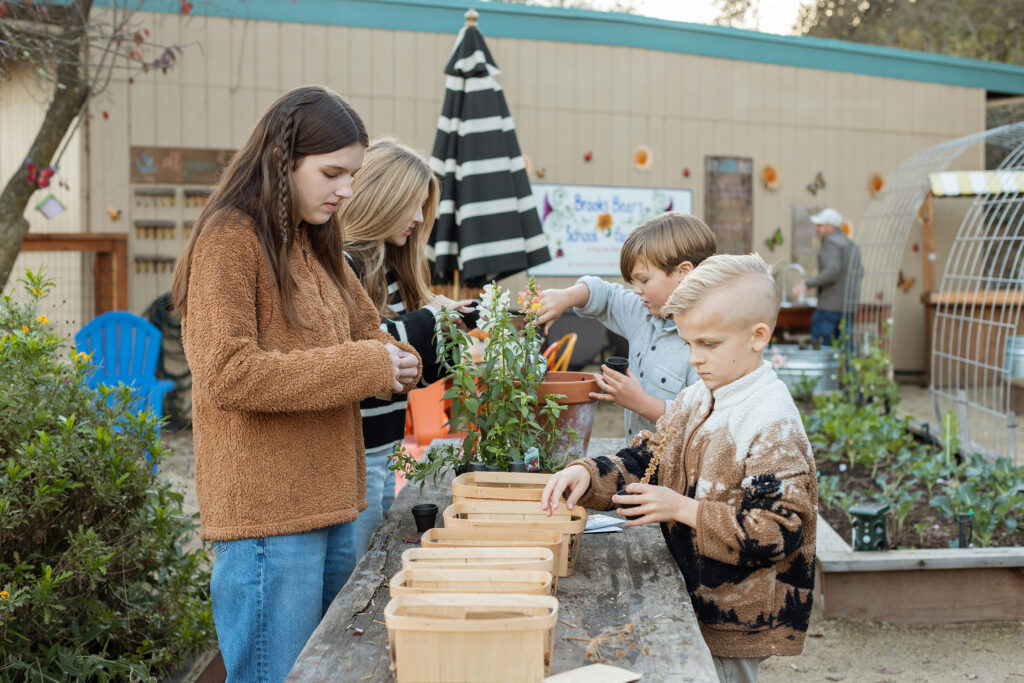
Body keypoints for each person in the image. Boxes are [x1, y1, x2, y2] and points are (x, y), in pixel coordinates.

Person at [171, 86, 422, 682]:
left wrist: (397, 359)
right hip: (268, 519)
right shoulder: (229, 240)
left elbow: (372, 334)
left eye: (353, 174)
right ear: (282, 161)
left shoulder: (317, 243)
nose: (346, 190)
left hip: (335, 502)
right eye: (332, 172)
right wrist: (369, 366)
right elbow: (228, 373)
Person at [540, 253, 817, 683]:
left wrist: (683, 509)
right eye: (688, 343)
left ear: (758, 336)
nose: (694, 359)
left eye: (708, 344)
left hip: (736, 618)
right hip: (694, 597)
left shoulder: (770, 420)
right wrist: (588, 475)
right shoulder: (700, 396)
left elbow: (779, 529)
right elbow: (647, 459)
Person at [338, 138, 474, 556]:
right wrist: (434, 320)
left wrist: (455, 335)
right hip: (351, 456)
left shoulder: (396, 270)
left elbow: (413, 374)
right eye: (410, 204)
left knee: (373, 562)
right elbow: (364, 347)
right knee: (354, 574)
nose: (418, 218)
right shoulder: (342, 266)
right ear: (380, 199)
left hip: (388, 449)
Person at [534, 213, 715, 442]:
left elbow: (704, 421)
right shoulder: (643, 312)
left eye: (644, 281)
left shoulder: (709, 343)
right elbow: (606, 296)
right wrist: (567, 297)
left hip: (676, 472)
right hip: (635, 459)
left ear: (683, 274)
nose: (636, 290)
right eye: (633, 283)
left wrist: (639, 402)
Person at [792, 208, 862, 347]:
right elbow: (860, 272)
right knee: (847, 348)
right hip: (848, 306)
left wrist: (806, 284)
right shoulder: (852, 245)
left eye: (820, 225)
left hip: (829, 307)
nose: (817, 229)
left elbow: (832, 271)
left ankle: (822, 369)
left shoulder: (830, 242)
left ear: (830, 227)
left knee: (820, 348)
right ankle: (848, 370)